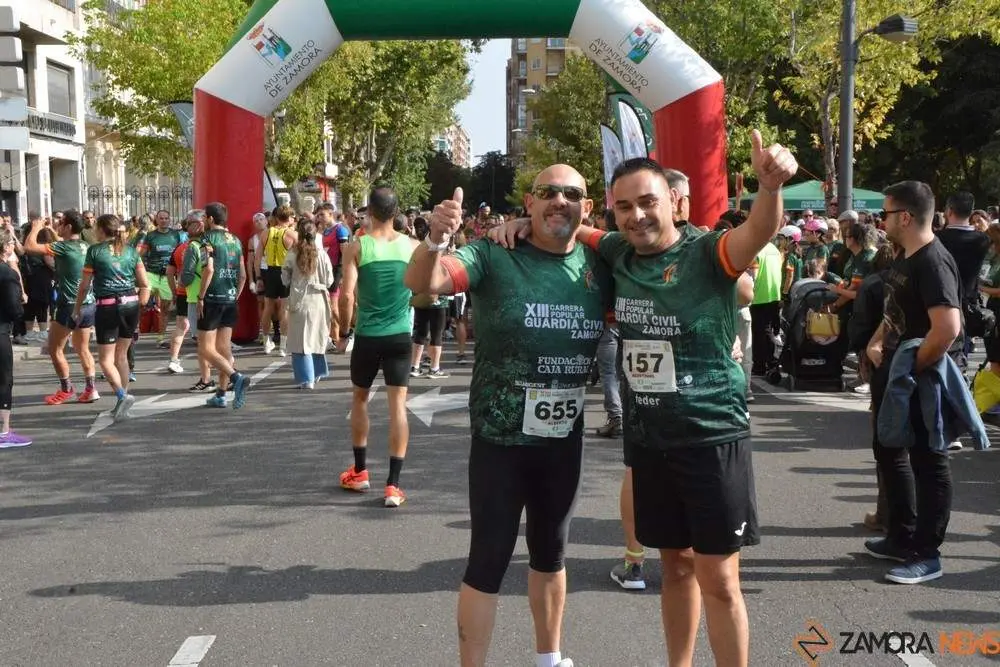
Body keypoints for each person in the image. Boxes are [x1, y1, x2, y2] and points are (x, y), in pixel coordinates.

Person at [495, 132, 797, 665]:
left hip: (711, 435)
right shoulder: (617, 251)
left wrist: (770, 189)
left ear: (675, 204)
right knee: (674, 567)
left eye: (648, 202)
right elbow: (574, 229)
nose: (636, 215)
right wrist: (526, 223)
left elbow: (758, 231)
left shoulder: (708, 252)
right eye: (624, 206)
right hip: (650, 441)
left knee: (720, 578)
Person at [407, 166, 609, 667]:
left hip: (564, 438)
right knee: (489, 559)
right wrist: (436, 237)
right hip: (501, 438)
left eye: (571, 194)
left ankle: (549, 658)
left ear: (587, 204)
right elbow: (423, 282)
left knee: (551, 553)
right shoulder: (496, 253)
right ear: (527, 201)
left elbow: (654, 249)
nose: (558, 200)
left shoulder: (602, 263)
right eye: (547, 193)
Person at [865, 181, 963, 585]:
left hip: (923, 378)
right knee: (890, 449)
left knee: (928, 460)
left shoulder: (933, 261)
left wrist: (910, 369)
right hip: (898, 370)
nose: (881, 220)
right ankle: (901, 536)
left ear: (905, 217)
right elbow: (896, 312)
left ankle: (927, 553)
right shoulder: (908, 255)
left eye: (886, 213)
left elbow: (948, 329)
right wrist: (876, 341)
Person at [337, 186, 418, 508]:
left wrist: (344, 331)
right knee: (398, 406)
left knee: (360, 399)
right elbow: (423, 292)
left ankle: (360, 472)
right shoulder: (412, 246)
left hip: (369, 334)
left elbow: (346, 296)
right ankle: (393, 486)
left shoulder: (357, 247)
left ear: (369, 211)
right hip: (400, 334)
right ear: (397, 212)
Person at [74, 214, 150, 421]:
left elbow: (85, 284)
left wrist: (77, 308)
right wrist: (141, 303)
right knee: (122, 356)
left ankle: (122, 395)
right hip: (131, 304)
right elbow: (144, 283)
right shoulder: (131, 251)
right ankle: (122, 401)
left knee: (105, 359)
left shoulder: (95, 251)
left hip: (107, 306)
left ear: (101, 230)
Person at [22, 210, 99, 404]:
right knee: (83, 348)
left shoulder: (63, 248)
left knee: (54, 349)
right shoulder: (84, 245)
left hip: (69, 304)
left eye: (61, 223)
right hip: (88, 303)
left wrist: (36, 227)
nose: (58, 225)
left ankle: (66, 389)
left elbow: (29, 247)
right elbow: (63, 242)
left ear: (69, 227)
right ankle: (91, 389)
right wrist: (51, 229)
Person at [186, 202, 251, 409]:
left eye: (205, 218)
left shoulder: (206, 239)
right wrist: (235, 296)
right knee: (224, 349)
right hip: (230, 299)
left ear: (211, 220)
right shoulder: (236, 240)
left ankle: (236, 376)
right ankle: (221, 395)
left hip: (212, 298)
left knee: (206, 348)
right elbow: (242, 274)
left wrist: (201, 296)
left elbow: (210, 269)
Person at [281, 222, 333, 389]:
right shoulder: (322, 254)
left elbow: (285, 276)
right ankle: (317, 372)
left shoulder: (293, 252)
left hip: (300, 299)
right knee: (316, 336)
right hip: (319, 299)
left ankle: (306, 378)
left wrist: (292, 282)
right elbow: (330, 280)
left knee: (301, 340)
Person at [0, 226, 29, 446]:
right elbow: (14, 309)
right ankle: (4, 431)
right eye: (11, 244)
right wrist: (20, 302)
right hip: (1, 330)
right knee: (4, 380)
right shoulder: (8, 274)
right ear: (6, 247)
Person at [137, 209, 181, 347]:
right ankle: (132, 332)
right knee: (141, 303)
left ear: (170, 220)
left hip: (167, 276)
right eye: (161, 218)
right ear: (157, 220)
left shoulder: (176, 235)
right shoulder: (150, 236)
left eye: (166, 218)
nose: (164, 221)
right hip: (151, 274)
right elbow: (140, 254)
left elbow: (180, 253)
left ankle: (161, 339)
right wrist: (140, 269)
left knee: (165, 309)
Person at [259, 205, 297, 356]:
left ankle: (266, 342)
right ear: (288, 218)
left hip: (270, 271)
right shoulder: (293, 234)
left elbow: (257, 257)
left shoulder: (265, 233)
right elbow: (300, 257)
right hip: (286, 271)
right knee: (284, 308)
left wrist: (258, 277)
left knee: (268, 307)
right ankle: (283, 345)